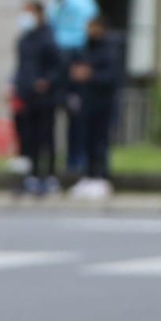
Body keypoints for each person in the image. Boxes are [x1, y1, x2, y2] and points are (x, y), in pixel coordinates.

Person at [46, 0, 100, 174]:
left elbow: (90, 32)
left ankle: (79, 159)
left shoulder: (81, 2)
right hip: (59, 60)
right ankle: (65, 161)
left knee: (78, 115)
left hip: (76, 57)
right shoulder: (54, 4)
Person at [69, 17, 123, 200]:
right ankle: (88, 176)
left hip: (104, 104)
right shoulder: (84, 48)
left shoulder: (110, 48)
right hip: (87, 103)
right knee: (85, 142)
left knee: (100, 142)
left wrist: (91, 75)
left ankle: (101, 177)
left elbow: (112, 77)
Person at [13, 0, 61, 196]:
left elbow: (58, 66)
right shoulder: (24, 39)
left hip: (45, 97)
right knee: (29, 138)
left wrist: (47, 81)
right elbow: (22, 68)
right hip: (27, 95)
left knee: (46, 137)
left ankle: (48, 175)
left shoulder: (48, 37)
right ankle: (31, 176)